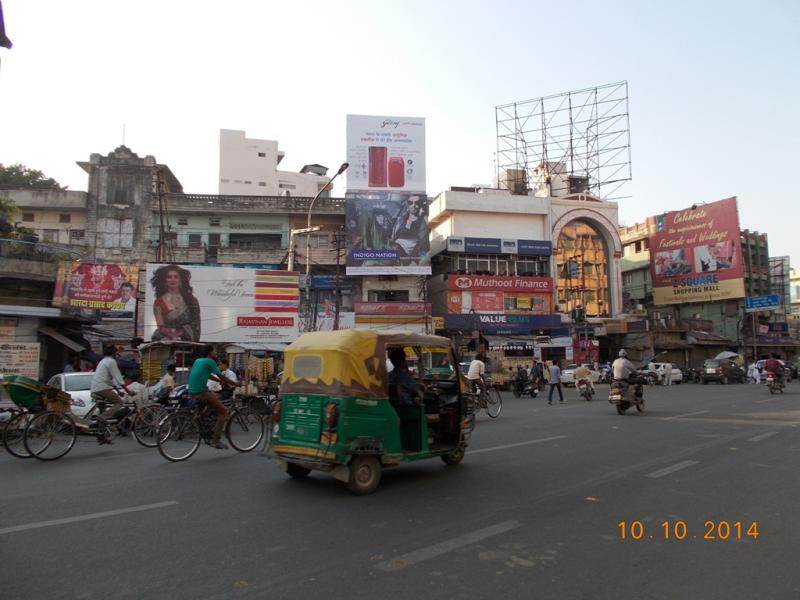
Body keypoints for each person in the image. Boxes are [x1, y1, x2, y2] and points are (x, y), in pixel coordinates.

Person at [187, 346, 238, 450]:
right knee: (224, 412)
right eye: (214, 351)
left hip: (192, 391)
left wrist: (220, 382)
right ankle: (216, 441)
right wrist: (235, 383)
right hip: (201, 392)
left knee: (213, 398)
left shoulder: (198, 360)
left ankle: (204, 424)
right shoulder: (210, 361)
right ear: (210, 352)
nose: (216, 352)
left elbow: (208, 375)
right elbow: (221, 376)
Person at [90, 346, 135, 443]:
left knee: (103, 410)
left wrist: (118, 391)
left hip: (95, 387)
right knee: (119, 403)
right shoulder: (111, 361)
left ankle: (101, 436)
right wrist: (128, 391)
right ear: (114, 353)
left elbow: (111, 379)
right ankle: (102, 418)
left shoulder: (103, 361)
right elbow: (118, 377)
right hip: (102, 387)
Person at [150, 264, 201, 341]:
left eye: (176, 277)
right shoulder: (158, 302)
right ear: (165, 281)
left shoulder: (191, 300)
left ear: (181, 280)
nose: (172, 279)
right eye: (169, 277)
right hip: (165, 340)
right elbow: (160, 327)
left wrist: (181, 333)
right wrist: (172, 334)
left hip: (186, 340)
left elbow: (195, 325)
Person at [388, 347, 424, 451]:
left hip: (392, 407)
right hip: (406, 408)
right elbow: (417, 391)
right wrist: (420, 388)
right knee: (425, 408)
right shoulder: (404, 376)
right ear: (403, 360)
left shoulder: (389, 375)